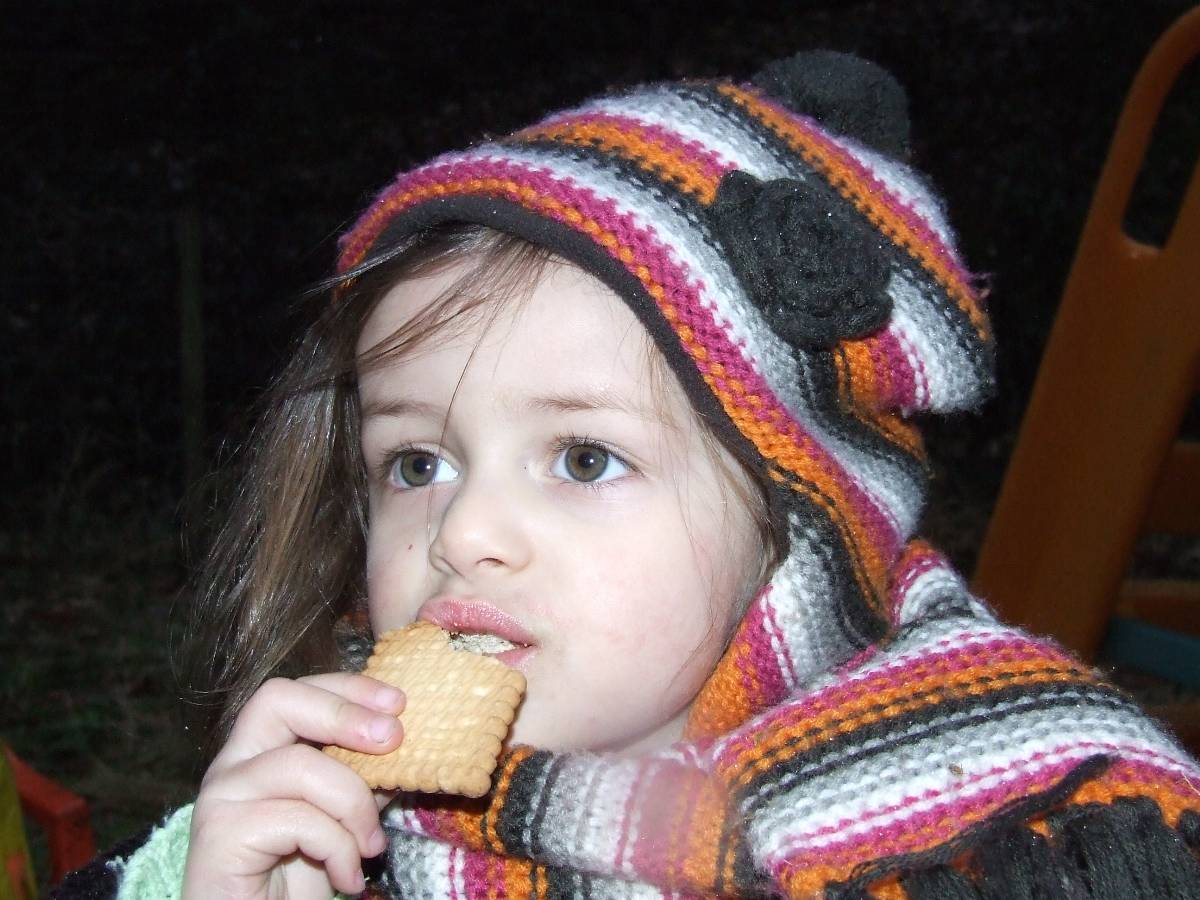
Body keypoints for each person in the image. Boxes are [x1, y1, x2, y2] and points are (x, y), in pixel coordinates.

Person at [55, 51, 1200, 900]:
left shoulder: (1025, 840)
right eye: (418, 462)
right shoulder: (312, 821)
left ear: (798, 527)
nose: (463, 530)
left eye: (584, 457)